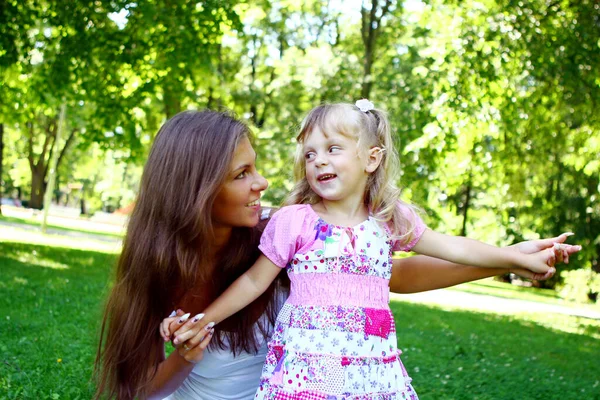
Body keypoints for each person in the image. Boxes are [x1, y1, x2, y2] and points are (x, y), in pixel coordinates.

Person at [165, 102, 578, 400]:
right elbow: (254, 282)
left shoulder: (388, 219)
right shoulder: (297, 220)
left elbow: (452, 247)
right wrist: (203, 320)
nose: (318, 161)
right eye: (310, 153)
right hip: (315, 360)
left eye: (333, 149)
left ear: (371, 158)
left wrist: (515, 257)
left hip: (372, 361)